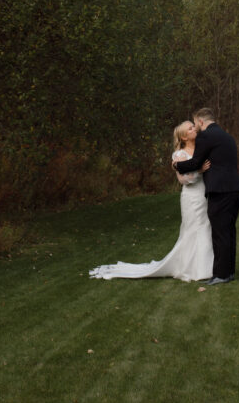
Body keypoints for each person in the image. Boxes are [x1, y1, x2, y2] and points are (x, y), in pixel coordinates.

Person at [89, 121, 213, 282]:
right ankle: (190, 268)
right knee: (191, 229)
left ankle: (206, 267)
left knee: (205, 227)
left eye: (193, 126)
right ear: (183, 136)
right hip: (191, 197)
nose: (194, 129)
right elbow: (184, 179)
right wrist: (199, 170)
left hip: (204, 193)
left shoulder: (201, 149)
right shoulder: (179, 155)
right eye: (190, 128)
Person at [173, 108, 239, 285]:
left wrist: (177, 166)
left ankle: (220, 274)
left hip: (219, 191)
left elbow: (196, 162)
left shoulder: (206, 136)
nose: (196, 128)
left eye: (195, 124)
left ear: (201, 122)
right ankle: (229, 272)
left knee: (220, 233)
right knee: (229, 232)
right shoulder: (227, 137)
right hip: (234, 189)